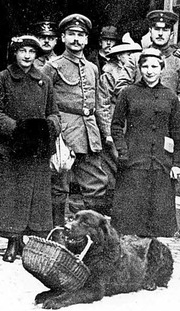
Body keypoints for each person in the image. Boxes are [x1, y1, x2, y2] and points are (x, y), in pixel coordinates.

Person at [0, 35, 60, 263]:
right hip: (12, 148)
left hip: (36, 149)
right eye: (22, 51)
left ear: (36, 55)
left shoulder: (44, 80)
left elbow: (54, 112)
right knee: (12, 196)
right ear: (15, 53)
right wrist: (16, 128)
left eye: (31, 52)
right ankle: (12, 240)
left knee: (34, 197)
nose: (27, 56)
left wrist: (49, 127)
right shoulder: (3, 78)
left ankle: (26, 240)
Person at [42, 14, 111, 223]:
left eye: (81, 35)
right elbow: (43, 102)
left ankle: (93, 232)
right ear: (63, 37)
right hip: (63, 133)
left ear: (87, 40)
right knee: (59, 185)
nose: (76, 39)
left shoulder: (92, 68)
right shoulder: (52, 67)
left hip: (89, 133)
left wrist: (106, 133)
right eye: (71, 34)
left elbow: (99, 103)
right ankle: (57, 232)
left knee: (96, 183)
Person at [110, 48, 180, 237]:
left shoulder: (171, 96)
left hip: (160, 163)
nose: (150, 71)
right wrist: (123, 151)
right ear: (140, 68)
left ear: (161, 68)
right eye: (145, 66)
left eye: (154, 66)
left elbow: (176, 132)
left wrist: (176, 163)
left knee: (156, 216)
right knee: (130, 215)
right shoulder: (128, 93)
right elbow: (116, 125)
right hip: (133, 162)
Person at [97, 40, 142, 204]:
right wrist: (107, 131)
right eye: (128, 54)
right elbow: (102, 103)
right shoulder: (109, 75)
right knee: (115, 165)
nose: (132, 57)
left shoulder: (138, 73)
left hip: (132, 125)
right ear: (117, 56)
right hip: (115, 124)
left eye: (134, 54)